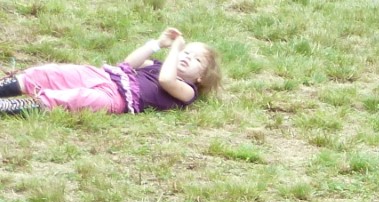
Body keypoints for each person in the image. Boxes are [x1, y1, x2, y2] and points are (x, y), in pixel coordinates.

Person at [0, 27, 218, 116]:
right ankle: (7, 87)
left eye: (196, 59)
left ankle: (13, 106)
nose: (187, 57)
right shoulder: (158, 64)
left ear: (201, 77)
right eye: (186, 53)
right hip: (106, 75)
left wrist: (177, 50)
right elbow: (129, 63)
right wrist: (158, 44)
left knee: (76, 98)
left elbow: (166, 80)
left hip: (116, 98)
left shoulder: (188, 91)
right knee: (52, 73)